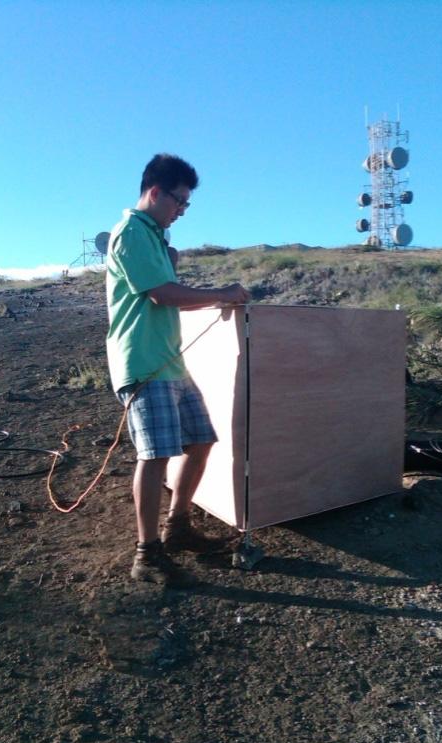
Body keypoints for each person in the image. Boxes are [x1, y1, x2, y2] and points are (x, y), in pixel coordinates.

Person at [105, 154, 250, 586]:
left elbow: (165, 287)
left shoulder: (153, 235)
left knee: (201, 440)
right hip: (145, 363)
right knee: (155, 456)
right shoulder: (131, 231)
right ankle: (147, 554)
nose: (182, 210)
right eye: (180, 202)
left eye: (186, 204)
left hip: (170, 361)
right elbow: (160, 295)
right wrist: (220, 293)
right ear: (155, 193)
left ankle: (179, 526)